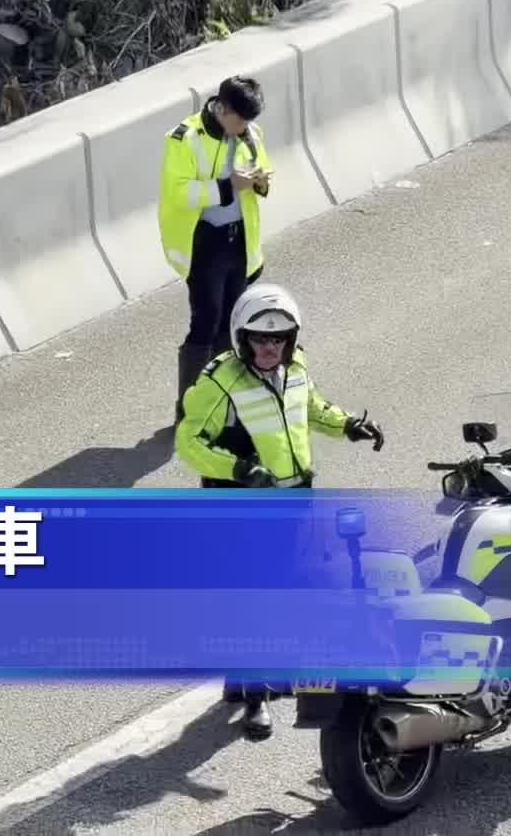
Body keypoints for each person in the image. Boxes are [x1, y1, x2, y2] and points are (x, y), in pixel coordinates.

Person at [175, 282, 385, 740]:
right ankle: (256, 698)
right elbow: (188, 443)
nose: (269, 349)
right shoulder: (218, 382)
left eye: (277, 340)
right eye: (259, 339)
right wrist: (240, 469)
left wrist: (348, 425)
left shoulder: (297, 367)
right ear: (241, 338)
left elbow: (308, 409)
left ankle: (242, 676)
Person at [159, 76, 275, 423]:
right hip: (205, 243)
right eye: (239, 120)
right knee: (205, 322)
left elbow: (261, 169)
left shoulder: (249, 134)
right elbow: (179, 192)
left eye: (247, 122)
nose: (243, 128)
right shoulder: (185, 138)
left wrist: (260, 180)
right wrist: (227, 187)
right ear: (221, 109)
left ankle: (222, 402)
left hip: (238, 241)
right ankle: (190, 408)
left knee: (232, 322)